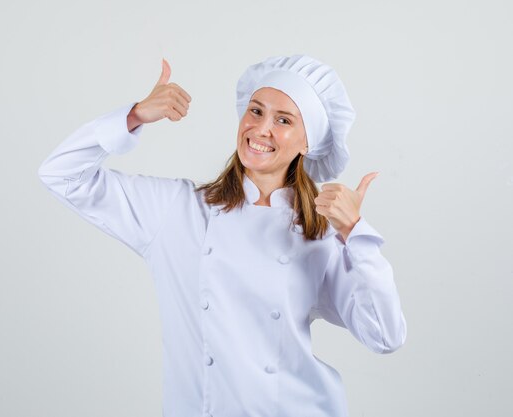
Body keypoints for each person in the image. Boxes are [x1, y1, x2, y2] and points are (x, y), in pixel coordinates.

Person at [38, 54, 407, 417]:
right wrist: (133, 116)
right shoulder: (176, 210)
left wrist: (357, 235)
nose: (261, 129)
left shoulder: (319, 234)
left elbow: (385, 337)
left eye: (283, 120)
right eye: (256, 111)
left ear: (306, 143)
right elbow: (61, 174)